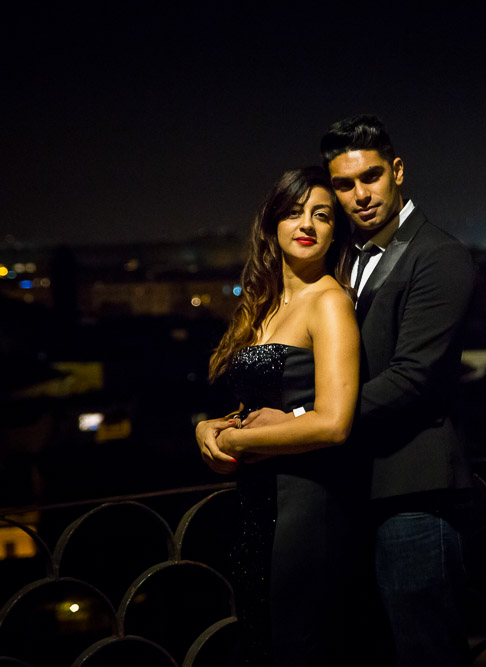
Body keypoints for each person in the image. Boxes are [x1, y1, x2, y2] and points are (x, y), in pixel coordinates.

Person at [243, 115, 476, 666]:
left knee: (428, 652)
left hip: (414, 495)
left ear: (397, 171)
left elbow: (411, 379)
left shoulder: (438, 256)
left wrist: (302, 416)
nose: (359, 195)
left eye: (370, 177)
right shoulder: (344, 256)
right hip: (351, 495)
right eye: (344, 185)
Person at [194, 166, 360, 666]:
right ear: (272, 226)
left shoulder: (329, 302)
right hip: (257, 508)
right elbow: (263, 405)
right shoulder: (264, 304)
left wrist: (240, 445)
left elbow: (334, 422)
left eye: (321, 215)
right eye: (293, 212)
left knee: (294, 648)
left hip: (304, 507)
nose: (306, 224)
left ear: (335, 232)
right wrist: (209, 428)